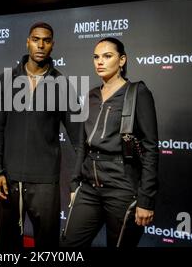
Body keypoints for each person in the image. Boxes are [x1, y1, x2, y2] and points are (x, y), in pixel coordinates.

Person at [0, 22, 82, 249]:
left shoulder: (62, 84)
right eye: (36, 39)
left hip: (45, 184)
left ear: (52, 45)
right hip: (8, 180)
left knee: (47, 246)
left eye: (46, 40)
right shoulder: (6, 79)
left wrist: (78, 180)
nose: (41, 45)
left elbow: (79, 138)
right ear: (27, 41)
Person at [61, 37, 159, 247]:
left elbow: (151, 149)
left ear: (122, 60)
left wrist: (146, 199)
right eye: (96, 57)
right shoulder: (91, 96)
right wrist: (74, 182)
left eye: (107, 56)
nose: (100, 62)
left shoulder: (137, 93)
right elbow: (82, 145)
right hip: (88, 186)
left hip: (122, 186)